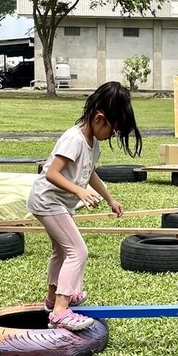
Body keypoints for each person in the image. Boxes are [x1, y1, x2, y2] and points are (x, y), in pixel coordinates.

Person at [27, 81, 142, 331]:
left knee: (61, 251)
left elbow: (90, 173)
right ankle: (60, 310)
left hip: (57, 203)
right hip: (48, 200)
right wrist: (79, 191)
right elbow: (52, 174)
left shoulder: (93, 143)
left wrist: (110, 199)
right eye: (113, 131)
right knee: (77, 251)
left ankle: (52, 299)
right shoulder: (74, 138)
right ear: (100, 118)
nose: (112, 136)